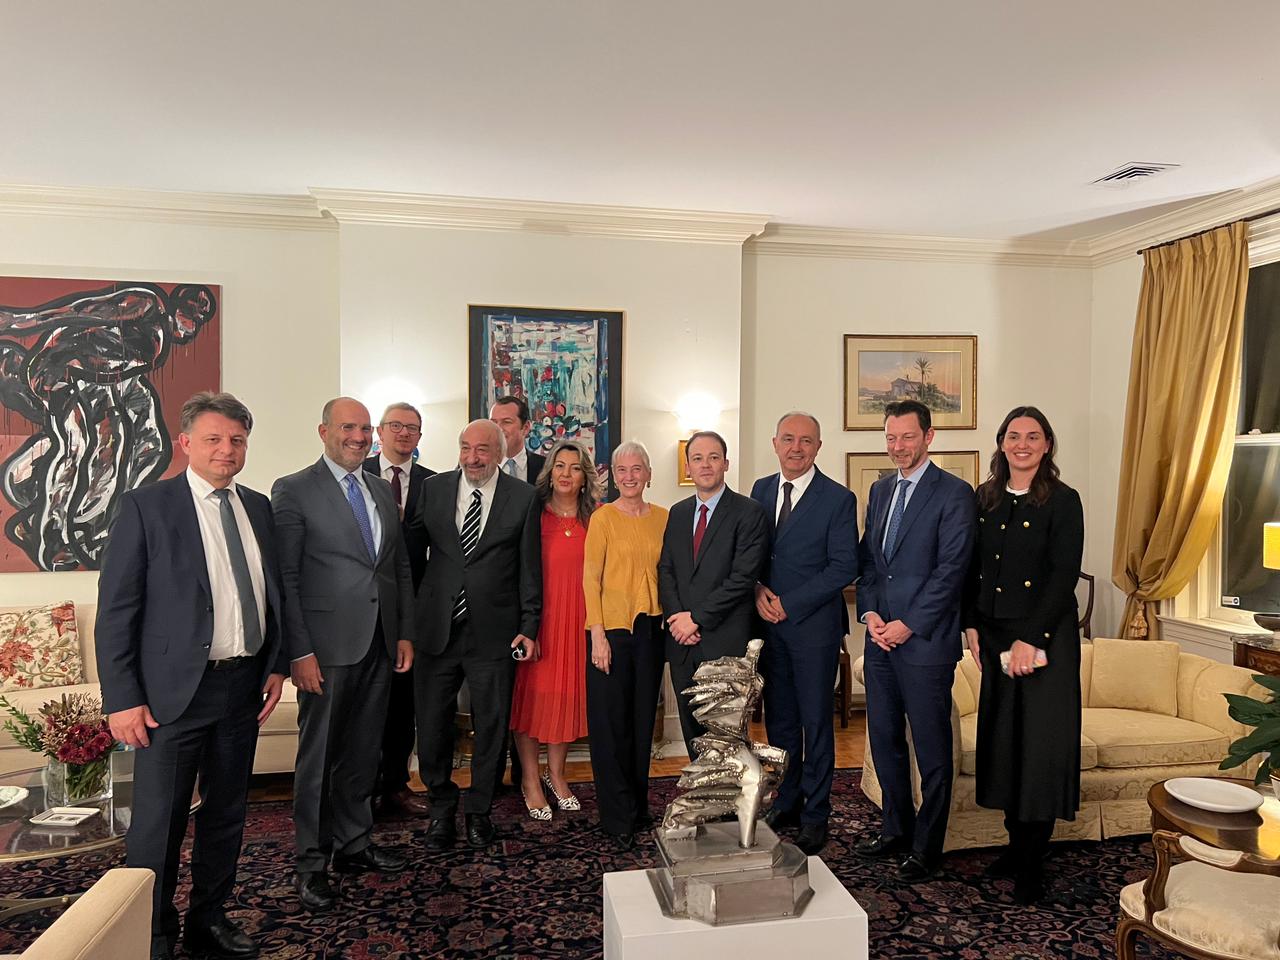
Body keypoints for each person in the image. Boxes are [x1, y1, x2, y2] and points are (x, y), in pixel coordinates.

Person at [96, 391, 288, 960]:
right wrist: (122, 698)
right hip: (170, 696)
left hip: (243, 687)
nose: (227, 449)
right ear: (185, 443)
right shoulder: (146, 507)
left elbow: (273, 594)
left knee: (227, 814)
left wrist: (276, 663)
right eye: (214, 438)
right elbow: (117, 611)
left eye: (237, 440)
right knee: (159, 824)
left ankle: (210, 918)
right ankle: (151, 934)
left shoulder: (258, 507)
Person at [272, 397, 415, 913]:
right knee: (320, 758)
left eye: (365, 428)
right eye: (348, 427)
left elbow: (396, 568)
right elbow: (286, 578)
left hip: (379, 641)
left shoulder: (378, 489)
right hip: (325, 650)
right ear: (324, 431)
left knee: (362, 751)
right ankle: (311, 863)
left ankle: (354, 843)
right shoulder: (293, 489)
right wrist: (300, 650)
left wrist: (403, 633)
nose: (358, 437)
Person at [962, 406, 1084, 904]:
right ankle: (1015, 847)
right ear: (1001, 442)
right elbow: (971, 566)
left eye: (1033, 436)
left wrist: (1032, 639)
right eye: (1014, 436)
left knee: (1039, 750)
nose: (1023, 444)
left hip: (1045, 640)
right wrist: (970, 622)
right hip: (994, 635)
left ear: (1047, 444)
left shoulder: (1064, 500)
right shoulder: (985, 497)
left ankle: (1033, 861)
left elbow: (1063, 575)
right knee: (1006, 745)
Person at [855, 398, 976, 883]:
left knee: (932, 751)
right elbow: (869, 563)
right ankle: (895, 830)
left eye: (907, 436)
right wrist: (870, 615)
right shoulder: (881, 490)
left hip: (925, 643)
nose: (898, 446)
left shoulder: (954, 493)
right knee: (884, 741)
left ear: (928, 437)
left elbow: (952, 571)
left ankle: (928, 847)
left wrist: (908, 624)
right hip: (880, 641)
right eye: (891, 438)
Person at [408, 419, 542, 850]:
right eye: (465, 447)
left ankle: (480, 811)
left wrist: (529, 626)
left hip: (495, 633)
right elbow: (410, 559)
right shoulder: (433, 489)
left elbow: (530, 568)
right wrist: (408, 622)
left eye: (482, 449)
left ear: (500, 452)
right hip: (436, 630)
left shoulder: (523, 497)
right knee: (432, 726)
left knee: (492, 726)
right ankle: (441, 810)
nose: (472, 457)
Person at [750, 412, 859, 856]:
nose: (796, 448)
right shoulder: (760, 490)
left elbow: (844, 566)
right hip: (769, 629)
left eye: (806, 441)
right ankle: (788, 799)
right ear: (775, 443)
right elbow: (754, 553)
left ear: (818, 447)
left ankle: (817, 814)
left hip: (813, 630)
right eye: (789, 439)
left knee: (815, 723)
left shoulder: (838, 498)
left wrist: (789, 603)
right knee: (779, 722)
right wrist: (757, 588)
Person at [658, 431, 767, 759]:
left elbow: (742, 578)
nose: (705, 465)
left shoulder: (749, 512)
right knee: (694, 735)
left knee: (726, 737)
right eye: (698, 458)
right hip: (683, 644)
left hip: (725, 642)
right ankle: (701, 791)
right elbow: (666, 570)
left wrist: (696, 619)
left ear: (726, 464)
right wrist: (678, 620)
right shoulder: (678, 513)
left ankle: (729, 795)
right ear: (688, 467)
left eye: (713, 457)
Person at [510, 440, 601, 818]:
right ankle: (531, 780)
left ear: (584, 477)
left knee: (566, 698)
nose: (566, 474)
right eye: (560, 466)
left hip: (579, 622)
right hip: (539, 622)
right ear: (549, 473)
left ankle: (557, 775)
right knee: (532, 702)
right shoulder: (533, 513)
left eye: (575, 468)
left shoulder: (597, 518)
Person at [584, 441, 669, 850]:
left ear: (648, 474)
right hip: (612, 633)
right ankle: (616, 816)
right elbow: (590, 579)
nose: (630, 476)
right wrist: (597, 635)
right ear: (613, 476)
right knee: (610, 726)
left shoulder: (665, 518)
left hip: (652, 631)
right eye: (622, 470)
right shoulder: (602, 519)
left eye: (637, 469)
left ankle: (638, 808)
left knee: (641, 724)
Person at [362, 402, 435, 820]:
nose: (403, 433)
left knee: (404, 706)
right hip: (367, 611)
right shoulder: (358, 474)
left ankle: (395, 785)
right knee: (367, 704)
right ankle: (363, 789)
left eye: (412, 428)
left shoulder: (435, 484)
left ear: (420, 437)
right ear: (380, 431)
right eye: (396, 426)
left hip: (414, 612)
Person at [491, 394, 547, 483]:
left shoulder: (545, 467)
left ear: (525, 428)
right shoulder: (480, 467)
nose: (499, 429)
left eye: (506, 422)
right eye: (493, 423)